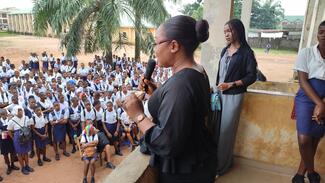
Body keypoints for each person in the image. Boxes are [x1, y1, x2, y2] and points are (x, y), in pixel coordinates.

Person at [123, 15, 217, 182]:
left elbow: (167, 143)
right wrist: (158, 92)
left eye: (156, 43)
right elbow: (186, 107)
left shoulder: (180, 85)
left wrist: (137, 114)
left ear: (173, 46)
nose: (154, 50)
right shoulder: (199, 71)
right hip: (200, 159)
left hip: (184, 174)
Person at [215, 19, 257, 175]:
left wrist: (231, 84)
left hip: (233, 96)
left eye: (229, 31)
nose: (226, 34)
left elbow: (251, 76)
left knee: (226, 132)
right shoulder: (224, 51)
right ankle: (220, 161)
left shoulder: (246, 53)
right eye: (225, 31)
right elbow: (220, 74)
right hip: (219, 95)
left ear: (238, 31)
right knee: (217, 129)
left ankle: (221, 167)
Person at [291, 20, 325, 183]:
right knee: (304, 140)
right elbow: (303, 81)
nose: (323, 35)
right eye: (321, 31)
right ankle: (311, 172)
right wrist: (320, 104)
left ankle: (299, 175)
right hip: (307, 98)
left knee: (315, 138)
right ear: (317, 34)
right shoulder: (306, 53)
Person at [7, 106, 34, 175]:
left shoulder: (26, 117)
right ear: (15, 112)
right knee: (20, 153)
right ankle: (23, 168)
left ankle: (27, 166)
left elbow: (29, 126)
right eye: (19, 111)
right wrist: (14, 138)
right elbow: (9, 131)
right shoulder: (12, 120)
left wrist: (27, 133)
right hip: (17, 138)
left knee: (25, 152)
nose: (20, 112)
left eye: (21, 110)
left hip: (26, 137)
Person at [0, 109, 20, 176]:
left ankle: (12, 164)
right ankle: (8, 166)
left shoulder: (10, 119)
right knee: (5, 154)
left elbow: (14, 128)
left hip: (11, 138)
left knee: (12, 152)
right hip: (3, 139)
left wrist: (9, 132)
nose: (4, 115)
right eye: (2, 114)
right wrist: (8, 132)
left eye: (5, 113)